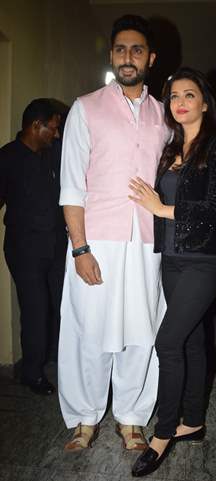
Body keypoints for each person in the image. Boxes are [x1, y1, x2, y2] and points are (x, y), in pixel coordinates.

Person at [58, 14, 170, 452]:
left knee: (142, 332)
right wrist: (79, 247)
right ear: (111, 55)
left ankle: (132, 418)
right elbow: (71, 185)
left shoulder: (165, 115)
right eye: (121, 49)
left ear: (151, 58)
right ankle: (84, 418)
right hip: (96, 240)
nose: (128, 57)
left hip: (146, 241)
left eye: (137, 50)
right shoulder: (85, 108)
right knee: (89, 329)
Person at [129, 67, 216, 477]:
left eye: (189, 95)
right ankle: (193, 421)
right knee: (190, 341)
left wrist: (160, 208)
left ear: (205, 103)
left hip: (203, 260)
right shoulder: (170, 147)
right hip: (171, 259)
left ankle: (163, 433)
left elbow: (215, 211)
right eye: (174, 96)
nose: (180, 102)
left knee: (168, 342)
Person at [0, 98, 67, 395]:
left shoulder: (51, 155)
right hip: (24, 247)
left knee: (60, 303)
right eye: (52, 128)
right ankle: (31, 372)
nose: (56, 134)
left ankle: (53, 354)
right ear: (35, 125)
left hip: (55, 244)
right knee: (35, 308)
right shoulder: (7, 158)